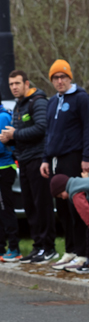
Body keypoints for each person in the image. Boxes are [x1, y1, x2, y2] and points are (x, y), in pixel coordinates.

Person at [39, 60, 89, 271]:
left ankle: (82, 253)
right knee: (62, 208)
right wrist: (45, 158)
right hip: (55, 161)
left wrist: (86, 157)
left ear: (70, 78)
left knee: (76, 206)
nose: (59, 81)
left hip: (74, 158)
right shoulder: (52, 102)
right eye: (55, 78)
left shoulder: (81, 98)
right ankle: (70, 250)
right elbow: (49, 133)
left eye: (63, 77)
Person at [2, 70, 56, 264]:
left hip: (38, 160)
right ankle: (38, 246)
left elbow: (42, 128)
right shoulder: (18, 106)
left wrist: (14, 135)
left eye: (17, 83)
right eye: (11, 84)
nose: (14, 87)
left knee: (42, 205)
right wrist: (9, 141)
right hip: (23, 161)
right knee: (30, 206)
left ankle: (49, 248)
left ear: (27, 83)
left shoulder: (38, 101)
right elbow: (21, 134)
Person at [49, 174, 89, 273]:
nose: (63, 198)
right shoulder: (79, 182)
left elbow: (84, 209)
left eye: (61, 195)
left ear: (63, 187)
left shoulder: (75, 192)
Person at [0, 103, 17, 261]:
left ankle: (14, 248)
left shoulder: (3, 116)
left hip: (5, 167)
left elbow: (1, 145)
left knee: (6, 208)